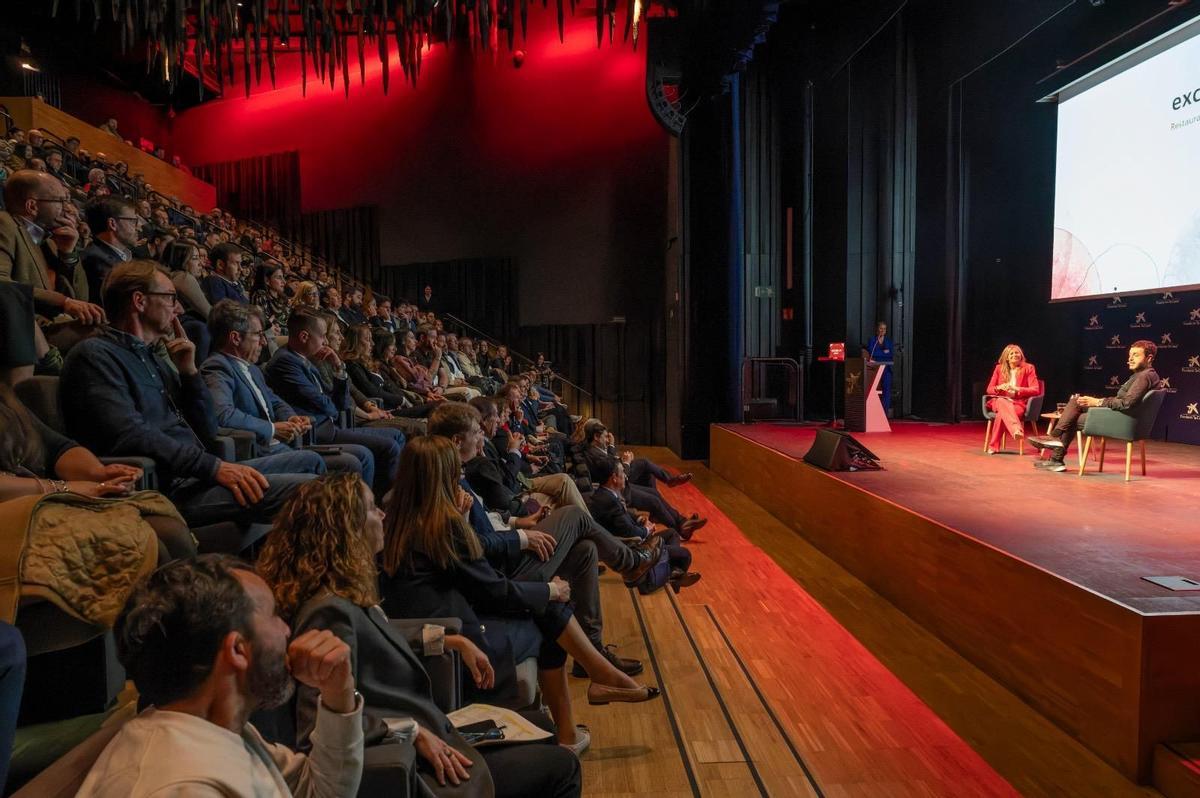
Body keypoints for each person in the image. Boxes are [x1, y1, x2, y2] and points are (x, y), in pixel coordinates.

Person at [257, 474, 583, 796]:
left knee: (544, 726)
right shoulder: (327, 611)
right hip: (416, 762)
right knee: (563, 767)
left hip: (432, 729)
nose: (383, 515)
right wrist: (408, 732)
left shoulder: (339, 593)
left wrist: (447, 639)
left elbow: (377, 635)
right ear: (347, 529)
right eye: (372, 509)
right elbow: (317, 726)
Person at [379, 436, 661, 756]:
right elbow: (490, 586)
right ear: (440, 477)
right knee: (552, 605)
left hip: (453, 621)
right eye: (454, 471)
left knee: (581, 552)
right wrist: (551, 590)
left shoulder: (401, 512)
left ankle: (590, 692)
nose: (460, 475)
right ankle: (591, 690)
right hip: (466, 637)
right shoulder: (442, 524)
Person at [61, 261, 321, 531]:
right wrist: (213, 468)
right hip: (170, 486)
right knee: (313, 491)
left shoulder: (155, 359)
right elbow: (130, 434)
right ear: (139, 301)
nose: (179, 309)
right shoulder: (95, 356)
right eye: (171, 298)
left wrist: (189, 372)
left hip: (197, 473)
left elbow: (207, 430)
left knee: (310, 462)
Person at [77, 555, 365, 797]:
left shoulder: (215, 728)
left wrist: (338, 695)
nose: (287, 630)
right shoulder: (181, 787)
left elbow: (318, 791)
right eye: (274, 615)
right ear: (238, 649)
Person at [429, 402, 658, 675]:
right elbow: (476, 545)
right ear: (457, 441)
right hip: (504, 571)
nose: (482, 437)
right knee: (574, 515)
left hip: (508, 545)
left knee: (585, 550)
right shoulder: (445, 485)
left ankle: (592, 652)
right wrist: (522, 537)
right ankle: (631, 563)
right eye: (476, 432)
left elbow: (486, 518)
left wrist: (516, 523)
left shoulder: (457, 474)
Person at [201, 300, 372, 480]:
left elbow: (274, 401)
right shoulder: (217, 366)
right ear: (235, 338)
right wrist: (272, 429)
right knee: (317, 460)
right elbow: (223, 414)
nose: (264, 342)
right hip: (257, 453)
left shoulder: (252, 369)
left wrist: (291, 417)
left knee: (355, 459)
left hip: (279, 446)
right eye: (258, 335)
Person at [264, 308, 402, 496]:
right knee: (374, 452)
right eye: (322, 336)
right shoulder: (285, 361)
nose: (326, 342)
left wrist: (338, 367)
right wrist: (333, 405)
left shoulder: (307, 360)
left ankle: (383, 503)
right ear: (304, 336)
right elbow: (326, 403)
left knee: (395, 436)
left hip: (330, 426)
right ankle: (369, 510)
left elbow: (342, 404)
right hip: (316, 433)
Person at [1030, 340, 1163, 472]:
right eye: (1130, 355)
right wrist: (1098, 401)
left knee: (1073, 418)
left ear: (1149, 358)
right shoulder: (1146, 375)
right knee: (1077, 401)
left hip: (1124, 421)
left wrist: (1098, 402)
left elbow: (1126, 403)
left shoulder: (1144, 377)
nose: (1130, 359)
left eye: (1136, 355)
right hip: (1125, 417)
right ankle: (1055, 442)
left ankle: (1056, 456)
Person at [0, 170, 103, 329]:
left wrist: (68, 253)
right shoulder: (4, 224)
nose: (67, 208)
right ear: (32, 206)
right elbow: (2, 284)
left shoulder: (51, 241)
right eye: (60, 201)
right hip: (24, 329)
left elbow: (81, 297)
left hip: (56, 325)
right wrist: (63, 302)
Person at [586, 457, 700, 594]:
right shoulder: (609, 501)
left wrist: (640, 519)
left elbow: (623, 516)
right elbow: (628, 531)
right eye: (623, 473)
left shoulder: (605, 494)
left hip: (633, 540)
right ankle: (666, 576)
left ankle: (672, 573)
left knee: (672, 533)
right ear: (614, 478)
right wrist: (647, 529)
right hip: (635, 548)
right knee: (685, 555)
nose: (626, 477)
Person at [983, 344, 1040, 455]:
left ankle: (993, 446)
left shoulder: (1028, 368)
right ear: (1007, 357)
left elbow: (1035, 389)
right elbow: (989, 389)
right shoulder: (999, 368)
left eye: (1017, 352)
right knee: (1001, 401)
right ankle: (1016, 430)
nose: (1015, 355)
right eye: (1012, 353)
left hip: (1018, 403)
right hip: (1000, 401)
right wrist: (999, 387)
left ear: (1021, 355)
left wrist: (1017, 388)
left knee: (1001, 415)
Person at [81, 196, 138, 305]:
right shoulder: (96, 260)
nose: (138, 227)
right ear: (113, 224)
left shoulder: (123, 254)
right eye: (133, 221)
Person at [865, 321, 894, 416]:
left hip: (886, 368)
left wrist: (882, 353)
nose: (882, 331)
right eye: (881, 328)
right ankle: (872, 413)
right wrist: (884, 352)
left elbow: (890, 354)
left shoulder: (889, 341)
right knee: (872, 389)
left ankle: (884, 414)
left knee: (887, 389)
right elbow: (872, 353)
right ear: (877, 329)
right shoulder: (872, 340)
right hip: (875, 368)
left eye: (884, 329)